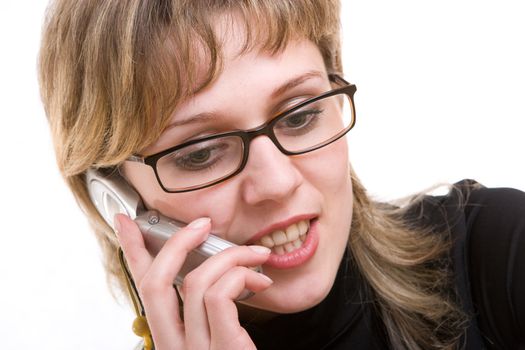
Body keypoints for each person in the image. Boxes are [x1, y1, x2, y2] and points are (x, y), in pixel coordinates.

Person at [38, 1, 524, 349]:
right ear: (115, 198)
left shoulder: (496, 252)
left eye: (298, 116)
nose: (276, 183)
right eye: (203, 153)